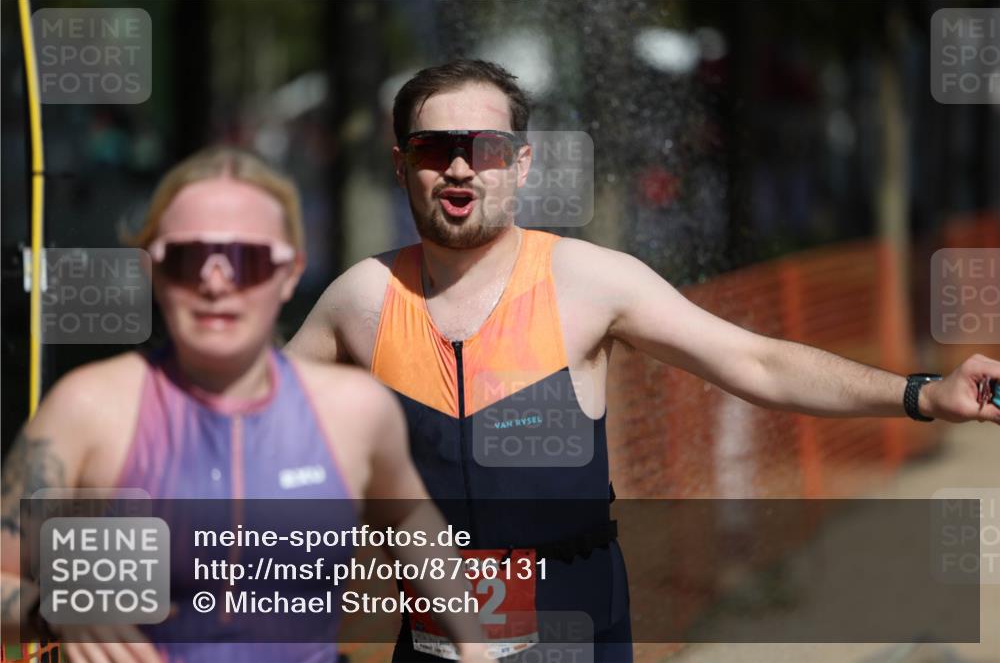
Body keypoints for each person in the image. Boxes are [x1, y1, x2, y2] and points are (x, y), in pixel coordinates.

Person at [286, 59, 1000, 661]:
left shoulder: (590, 282)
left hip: (577, 628)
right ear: (402, 163)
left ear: (523, 163)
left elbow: (756, 363)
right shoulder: (362, 299)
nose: (461, 166)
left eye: (488, 146)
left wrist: (924, 393)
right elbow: (249, 416)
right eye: (435, 147)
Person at [0, 146, 491, 663]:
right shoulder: (89, 409)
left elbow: (410, 518)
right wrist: (52, 606)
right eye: (188, 257)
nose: (217, 281)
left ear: (289, 273)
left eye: (247, 259)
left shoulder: (353, 411)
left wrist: (474, 645)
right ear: (154, 270)